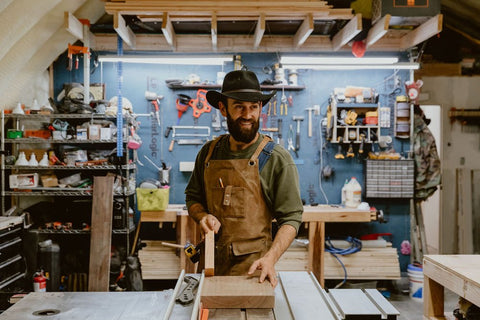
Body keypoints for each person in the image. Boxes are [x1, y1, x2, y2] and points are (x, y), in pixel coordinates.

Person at [185, 70, 303, 287]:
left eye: (254, 107)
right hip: (211, 266)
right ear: (223, 108)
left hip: (253, 271)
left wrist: (271, 258)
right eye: (239, 106)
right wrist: (202, 217)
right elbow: (193, 198)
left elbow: (292, 218)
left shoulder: (276, 159)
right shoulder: (209, 153)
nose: (248, 115)